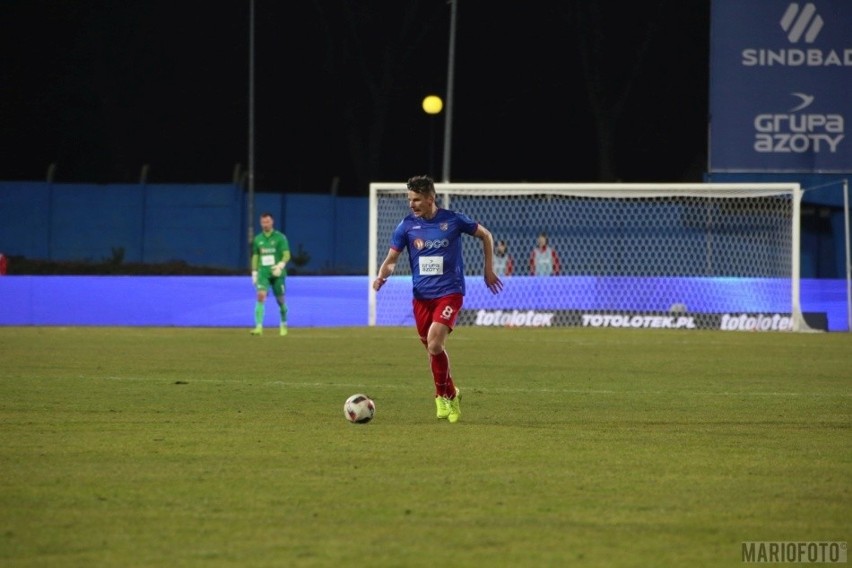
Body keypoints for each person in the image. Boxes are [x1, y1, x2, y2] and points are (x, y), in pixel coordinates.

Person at [373, 175, 503, 423]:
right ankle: (452, 394)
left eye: (417, 199)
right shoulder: (407, 226)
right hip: (421, 298)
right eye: (410, 199)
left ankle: (440, 396)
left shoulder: (453, 220)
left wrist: (488, 269)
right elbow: (391, 261)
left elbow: (485, 235)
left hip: (450, 293)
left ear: (431, 198)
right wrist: (382, 276)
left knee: (434, 344)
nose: (412, 204)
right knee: (433, 349)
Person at [250, 212, 291, 336]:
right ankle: (258, 327)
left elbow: (287, 254)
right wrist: (254, 272)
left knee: (281, 301)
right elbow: (256, 256)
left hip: (278, 273)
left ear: (272, 222)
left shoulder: (280, 237)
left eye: (267, 222)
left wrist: (280, 265)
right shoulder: (258, 239)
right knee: (261, 296)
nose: (265, 224)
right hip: (263, 273)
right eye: (263, 222)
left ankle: (283, 324)